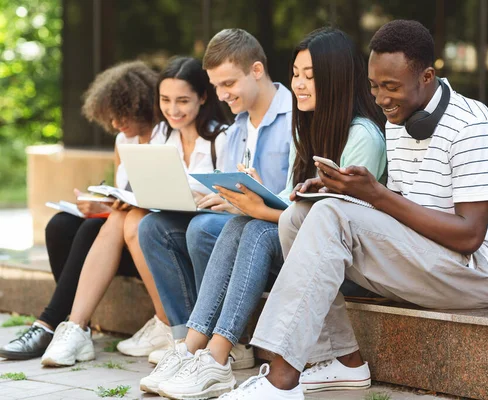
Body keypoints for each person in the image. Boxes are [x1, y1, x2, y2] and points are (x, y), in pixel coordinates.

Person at [224, 19, 488, 400]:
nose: (381, 99)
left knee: (331, 214)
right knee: (300, 214)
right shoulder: (399, 119)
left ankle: (281, 380)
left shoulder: (473, 128)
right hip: (425, 256)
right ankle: (343, 361)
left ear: (427, 77)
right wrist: (343, 190)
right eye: (375, 86)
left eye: (392, 87)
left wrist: (374, 195)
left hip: (477, 274)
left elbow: (468, 236)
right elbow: (396, 213)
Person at [139, 27, 387, 399]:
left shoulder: (363, 137)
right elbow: (293, 197)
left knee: (253, 228)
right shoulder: (309, 129)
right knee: (241, 222)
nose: (299, 84)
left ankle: (217, 357)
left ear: (336, 79)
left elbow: (339, 224)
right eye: (296, 74)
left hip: (345, 264)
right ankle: (193, 350)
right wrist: (259, 197)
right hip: (304, 249)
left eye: (310, 76)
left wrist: (262, 208)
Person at [39, 56, 230, 367]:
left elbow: (227, 195)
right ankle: (75, 327)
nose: (173, 110)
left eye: (182, 100)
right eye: (166, 100)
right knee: (114, 218)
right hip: (157, 228)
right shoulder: (165, 135)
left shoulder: (219, 137)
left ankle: (164, 324)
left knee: (132, 221)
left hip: (193, 233)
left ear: (202, 97)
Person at [137, 29, 293, 372]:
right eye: (217, 86)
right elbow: (232, 186)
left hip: (273, 232)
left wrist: (244, 202)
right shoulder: (238, 127)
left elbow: (295, 194)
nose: (222, 95)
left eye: (228, 84)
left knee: (203, 228)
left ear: (256, 70)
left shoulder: (295, 117)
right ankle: (185, 340)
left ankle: (227, 341)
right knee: (153, 227)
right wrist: (218, 196)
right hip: (241, 222)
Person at [0, 61, 158, 361]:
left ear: (142, 105)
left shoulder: (167, 136)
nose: (115, 124)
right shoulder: (123, 140)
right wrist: (100, 203)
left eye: (122, 115)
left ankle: (50, 324)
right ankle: (71, 328)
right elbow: (123, 194)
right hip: (116, 236)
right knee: (59, 225)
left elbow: (153, 201)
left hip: (144, 244)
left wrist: (109, 209)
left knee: (90, 229)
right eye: (110, 117)